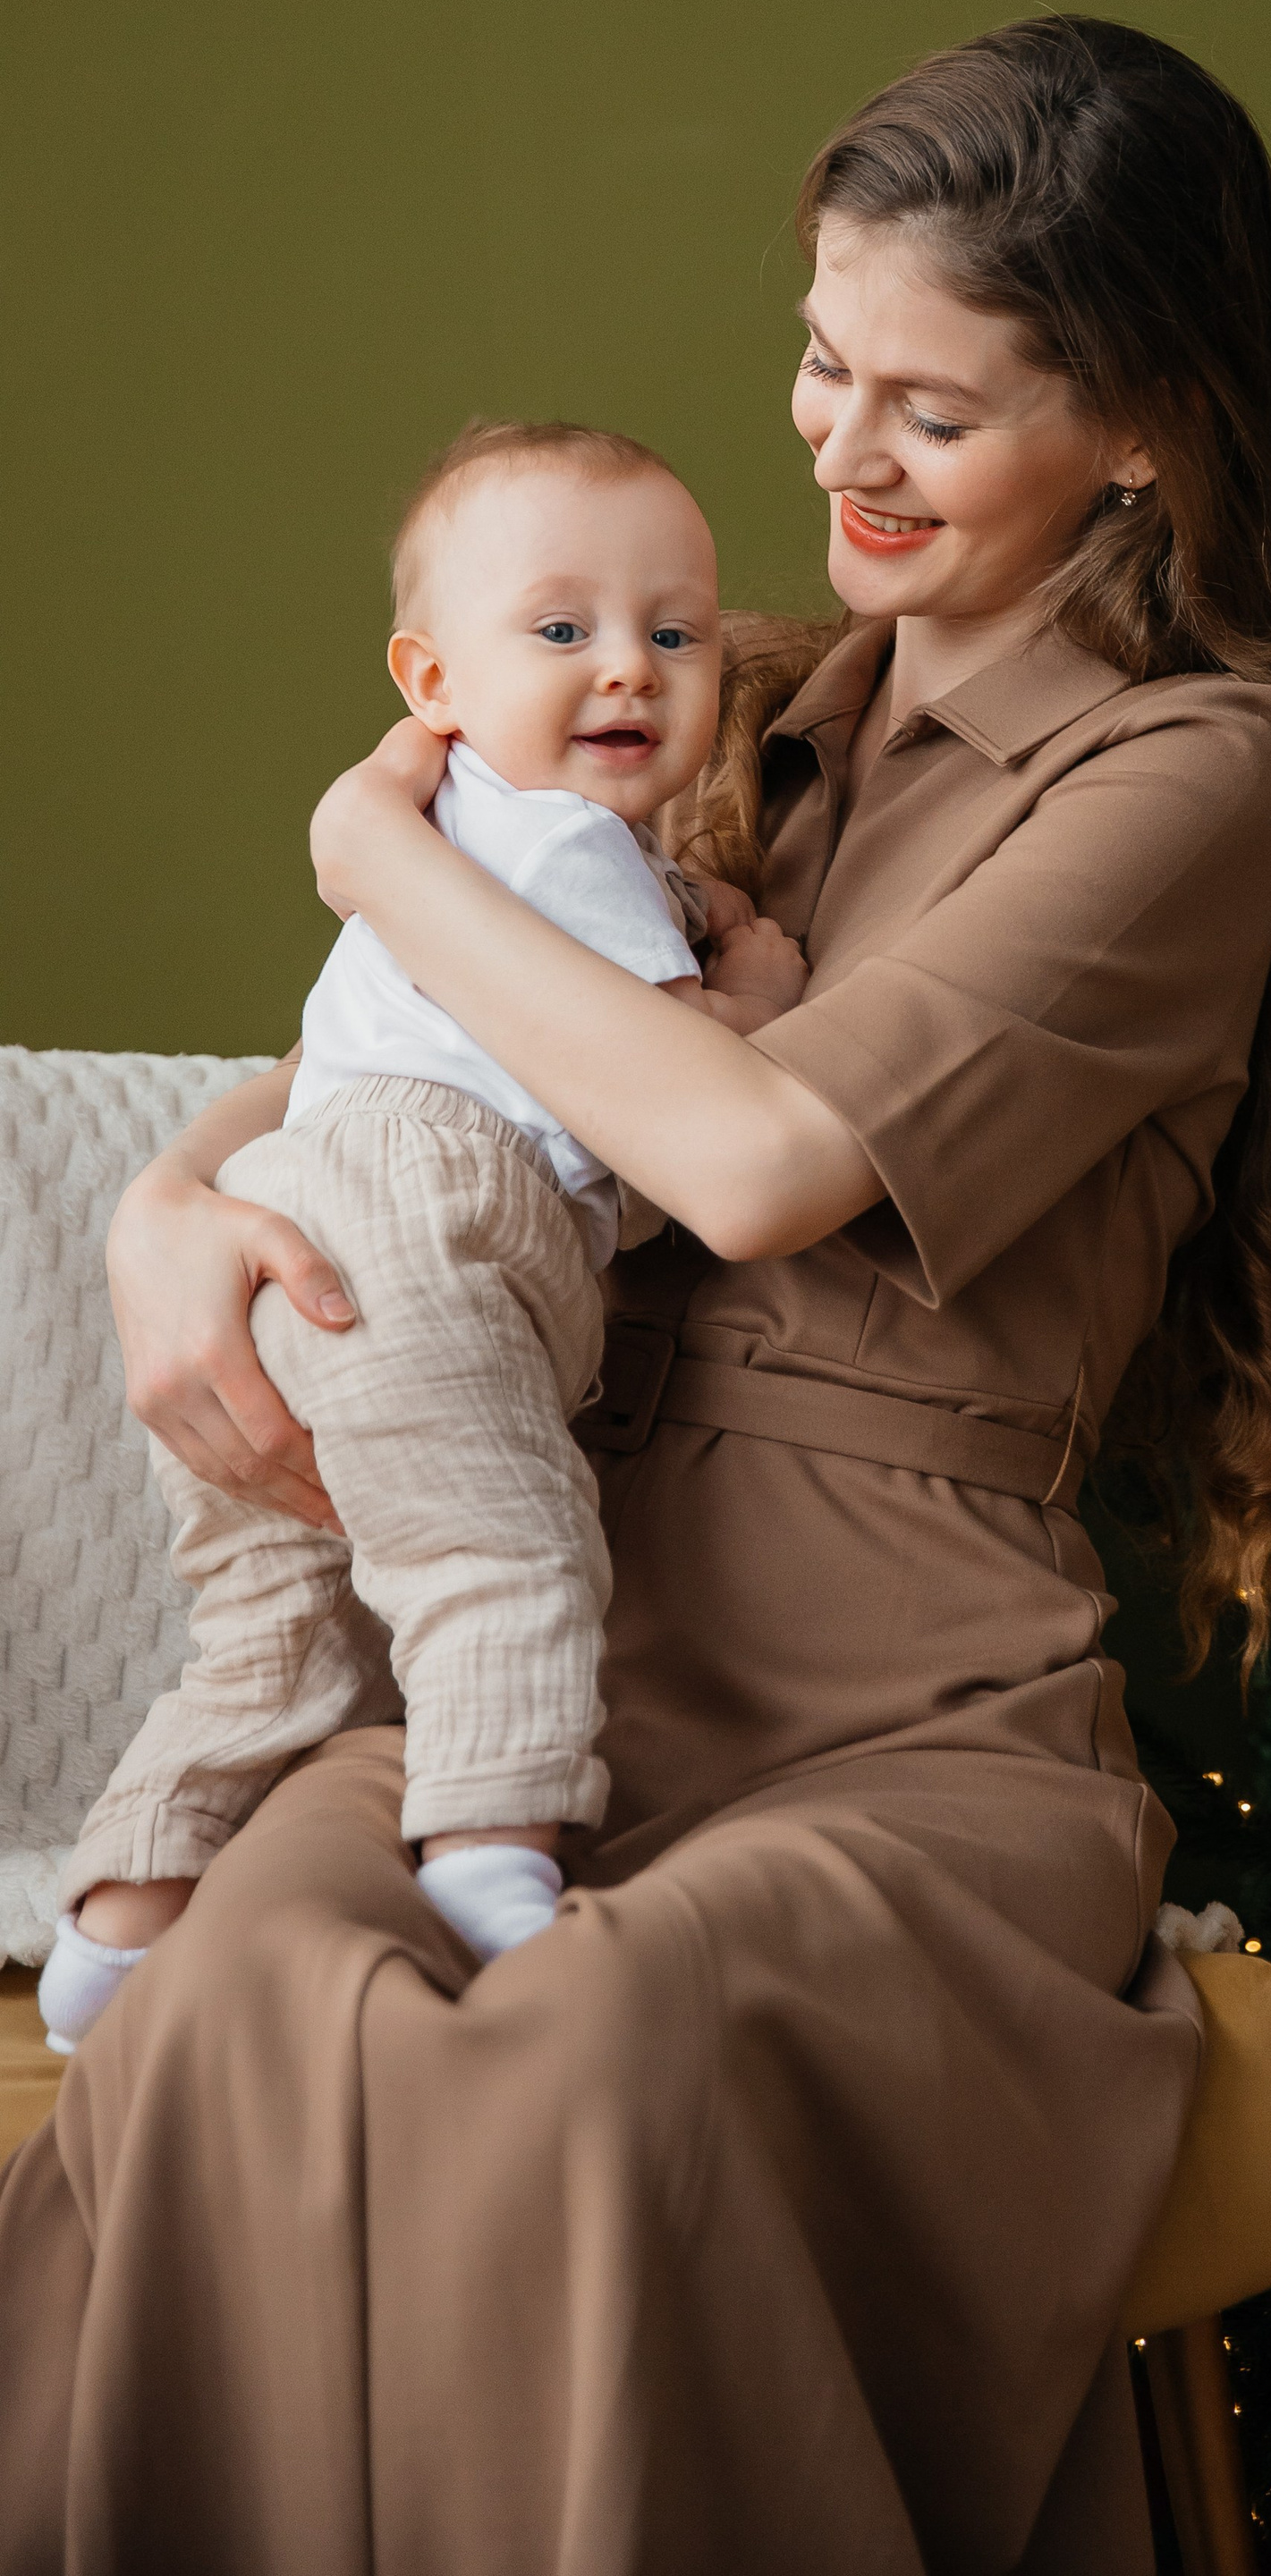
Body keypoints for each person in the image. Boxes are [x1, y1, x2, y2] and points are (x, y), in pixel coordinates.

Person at [0, 15, 1271, 2574]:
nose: (837, 449)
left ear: (1140, 424)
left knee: (586, 2069)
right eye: (821, 360)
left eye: (934, 406)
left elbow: (762, 1153)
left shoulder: (1185, 765)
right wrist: (171, 1207)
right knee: (251, 1990)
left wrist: (377, 842)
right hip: (551, 1659)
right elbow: (413, 1078)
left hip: (907, 1715)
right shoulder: (734, 692)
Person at [38, 424, 810, 2056]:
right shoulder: (563, 845)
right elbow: (672, 1118)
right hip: (429, 1217)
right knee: (502, 1558)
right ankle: (490, 1863)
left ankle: (111, 1931)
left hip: (284, 1234)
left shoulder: (450, 837)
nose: (629, 670)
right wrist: (758, 998)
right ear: (430, 677)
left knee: (275, 1635)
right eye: (561, 631)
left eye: (676, 634)